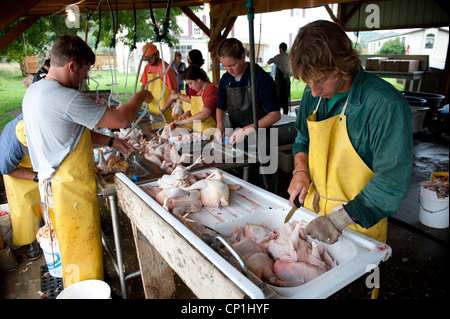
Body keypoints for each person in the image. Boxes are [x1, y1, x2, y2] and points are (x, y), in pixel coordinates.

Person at [23, 34, 153, 288]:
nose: (85, 77)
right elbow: (122, 120)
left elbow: (69, 131)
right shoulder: (66, 97)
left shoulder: (37, 90)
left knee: (72, 249)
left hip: (54, 185)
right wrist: (140, 96)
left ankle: (82, 288)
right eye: (84, 70)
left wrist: (111, 142)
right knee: (82, 252)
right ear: (72, 66)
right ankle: (89, 290)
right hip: (69, 191)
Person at [287, 20, 413, 245]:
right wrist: (300, 171)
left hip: (358, 226)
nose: (314, 92)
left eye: (321, 80)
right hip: (313, 216)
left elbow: (391, 182)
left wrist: (337, 220)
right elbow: (303, 138)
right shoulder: (311, 95)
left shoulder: (385, 105)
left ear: (343, 65)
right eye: (308, 82)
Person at [216, 38, 281, 192]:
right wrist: (219, 125)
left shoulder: (260, 78)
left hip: (261, 139)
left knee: (262, 184)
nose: (229, 70)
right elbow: (220, 105)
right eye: (225, 66)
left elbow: (275, 115)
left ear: (243, 57)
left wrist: (246, 130)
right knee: (239, 182)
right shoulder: (226, 79)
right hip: (235, 138)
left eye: (232, 65)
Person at [0, 115, 41, 260]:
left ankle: (48, 233)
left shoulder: (37, 119)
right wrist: (35, 177)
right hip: (18, 174)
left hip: (38, 167)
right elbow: (7, 169)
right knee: (24, 209)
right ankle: (30, 242)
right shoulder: (9, 147)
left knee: (49, 202)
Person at [171, 65, 217, 134]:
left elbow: (205, 114)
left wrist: (182, 122)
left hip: (211, 131)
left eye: (190, 83)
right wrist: (187, 113)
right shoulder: (200, 90)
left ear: (198, 79)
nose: (190, 87)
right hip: (200, 130)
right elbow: (200, 108)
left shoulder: (211, 90)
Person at [140, 43, 178, 120]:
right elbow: (144, 85)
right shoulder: (147, 68)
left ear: (157, 54)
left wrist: (163, 110)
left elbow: (174, 93)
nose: (148, 61)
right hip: (152, 110)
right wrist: (142, 97)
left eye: (150, 58)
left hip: (166, 112)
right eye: (146, 59)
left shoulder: (167, 70)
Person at [267, 42, 291, 114]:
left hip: (280, 81)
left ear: (280, 48)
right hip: (287, 80)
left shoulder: (278, 57)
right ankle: (285, 113)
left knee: (278, 97)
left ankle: (277, 114)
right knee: (286, 97)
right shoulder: (289, 56)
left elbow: (269, 62)